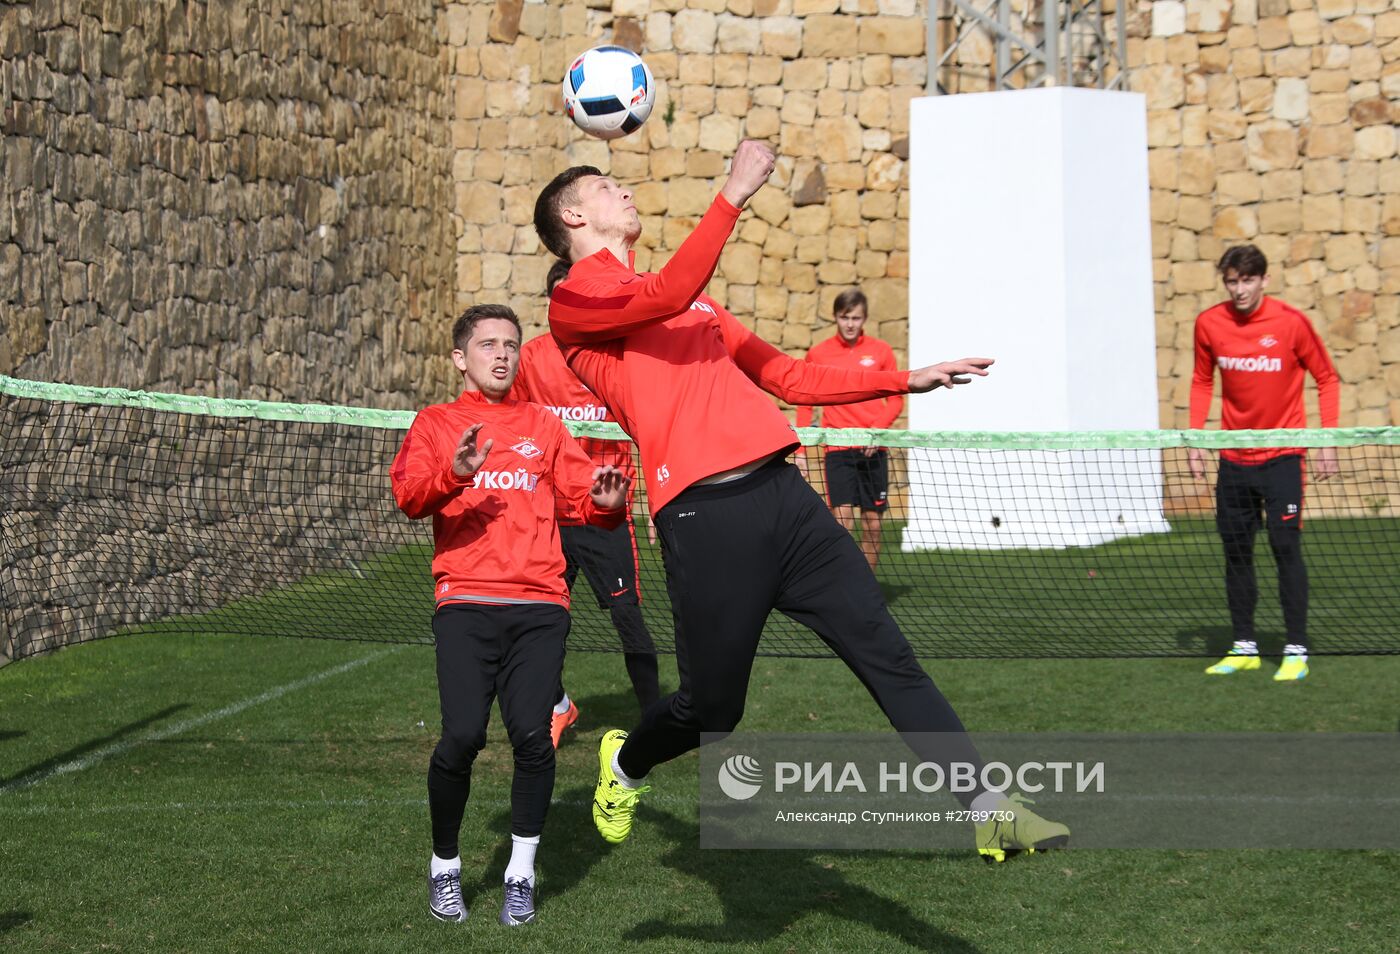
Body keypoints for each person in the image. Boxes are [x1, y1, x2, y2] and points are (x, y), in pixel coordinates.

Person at [532, 139, 1069, 862]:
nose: (623, 192)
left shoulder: (698, 307)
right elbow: (663, 295)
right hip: (704, 515)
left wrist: (907, 380)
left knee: (888, 655)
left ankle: (988, 809)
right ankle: (627, 764)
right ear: (572, 214)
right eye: (606, 185)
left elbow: (788, 377)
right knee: (712, 714)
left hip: (786, 500)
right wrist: (731, 195)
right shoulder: (577, 302)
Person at [391, 304, 631, 926]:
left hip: (539, 607)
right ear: (459, 357)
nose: (501, 355)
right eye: (488, 344)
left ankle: (520, 874)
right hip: (466, 604)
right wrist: (455, 471)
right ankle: (445, 867)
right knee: (463, 737)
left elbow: (584, 497)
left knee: (532, 739)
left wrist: (605, 505)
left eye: (511, 345)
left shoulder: (545, 426)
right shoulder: (437, 423)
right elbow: (409, 497)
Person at [511, 260, 662, 745]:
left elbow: (650, 429)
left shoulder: (617, 355)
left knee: (627, 618)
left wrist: (656, 496)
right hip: (548, 517)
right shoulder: (530, 359)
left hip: (606, 516)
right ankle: (556, 707)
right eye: (559, 294)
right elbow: (511, 425)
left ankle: (657, 720)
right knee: (537, 620)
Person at [1188, 245, 1340, 682]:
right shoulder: (1209, 324)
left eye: (1247, 280)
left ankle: (1295, 648)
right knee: (1236, 553)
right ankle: (1244, 646)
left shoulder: (1291, 323)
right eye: (1232, 281)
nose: (1239, 290)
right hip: (1234, 461)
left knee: (1285, 548)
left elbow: (1326, 379)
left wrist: (1325, 441)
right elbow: (1202, 380)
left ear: (1264, 280)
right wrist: (1197, 440)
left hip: (1284, 458)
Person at [795, 288, 905, 570]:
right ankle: (844, 589)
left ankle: (867, 592)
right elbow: (804, 402)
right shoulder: (818, 354)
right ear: (836, 317)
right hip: (839, 450)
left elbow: (895, 401)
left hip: (873, 451)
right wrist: (801, 451)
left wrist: (877, 430)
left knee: (873, 527)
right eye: (845, 317)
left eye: (856, 318)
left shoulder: (881, 352)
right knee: (841, 525)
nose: (850, 324)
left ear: (864, 318)